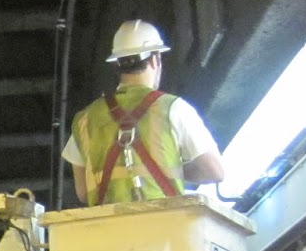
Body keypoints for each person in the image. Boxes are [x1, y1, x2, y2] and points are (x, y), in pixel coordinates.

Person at [63, 20, 225, 206]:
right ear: (155, 60)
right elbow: (214, 171)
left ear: (117, 64)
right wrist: (168, 169)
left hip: (109, 231)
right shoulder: (173, 108)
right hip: (165, 227)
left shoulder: (84, 120)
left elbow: (83, 192)